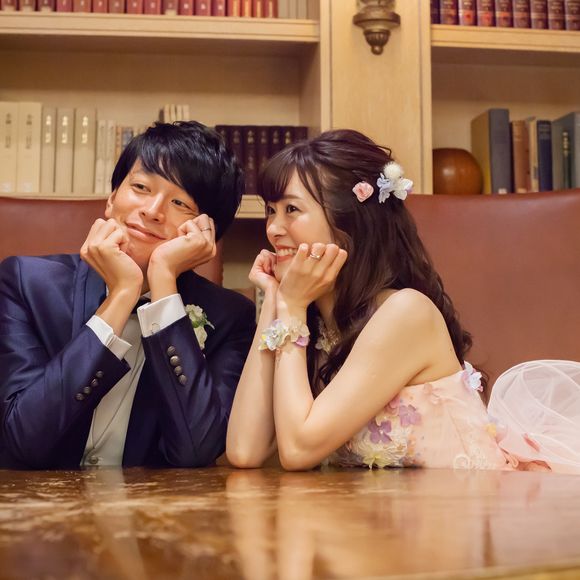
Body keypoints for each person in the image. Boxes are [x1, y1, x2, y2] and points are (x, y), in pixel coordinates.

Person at [226, 129, 580, 474]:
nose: (273, 229)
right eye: (271, 210)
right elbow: (244, 450)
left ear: (350, 222)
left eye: (291, 209)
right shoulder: (311, 320)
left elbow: (297, 449)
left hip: (470, 505)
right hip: (379, 510)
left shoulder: (406, 312)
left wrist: (291, 308)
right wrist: (274, 301)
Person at [0, 121, 256, 470]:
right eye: (140, 187)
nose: (152, 210)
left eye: (180, 202)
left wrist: (163, 283)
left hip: (150, 504)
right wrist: (121, 295)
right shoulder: (26, 283)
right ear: (111, 199)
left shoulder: (230, 318)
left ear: (207, 232)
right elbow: (24, 441)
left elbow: (196, 451)